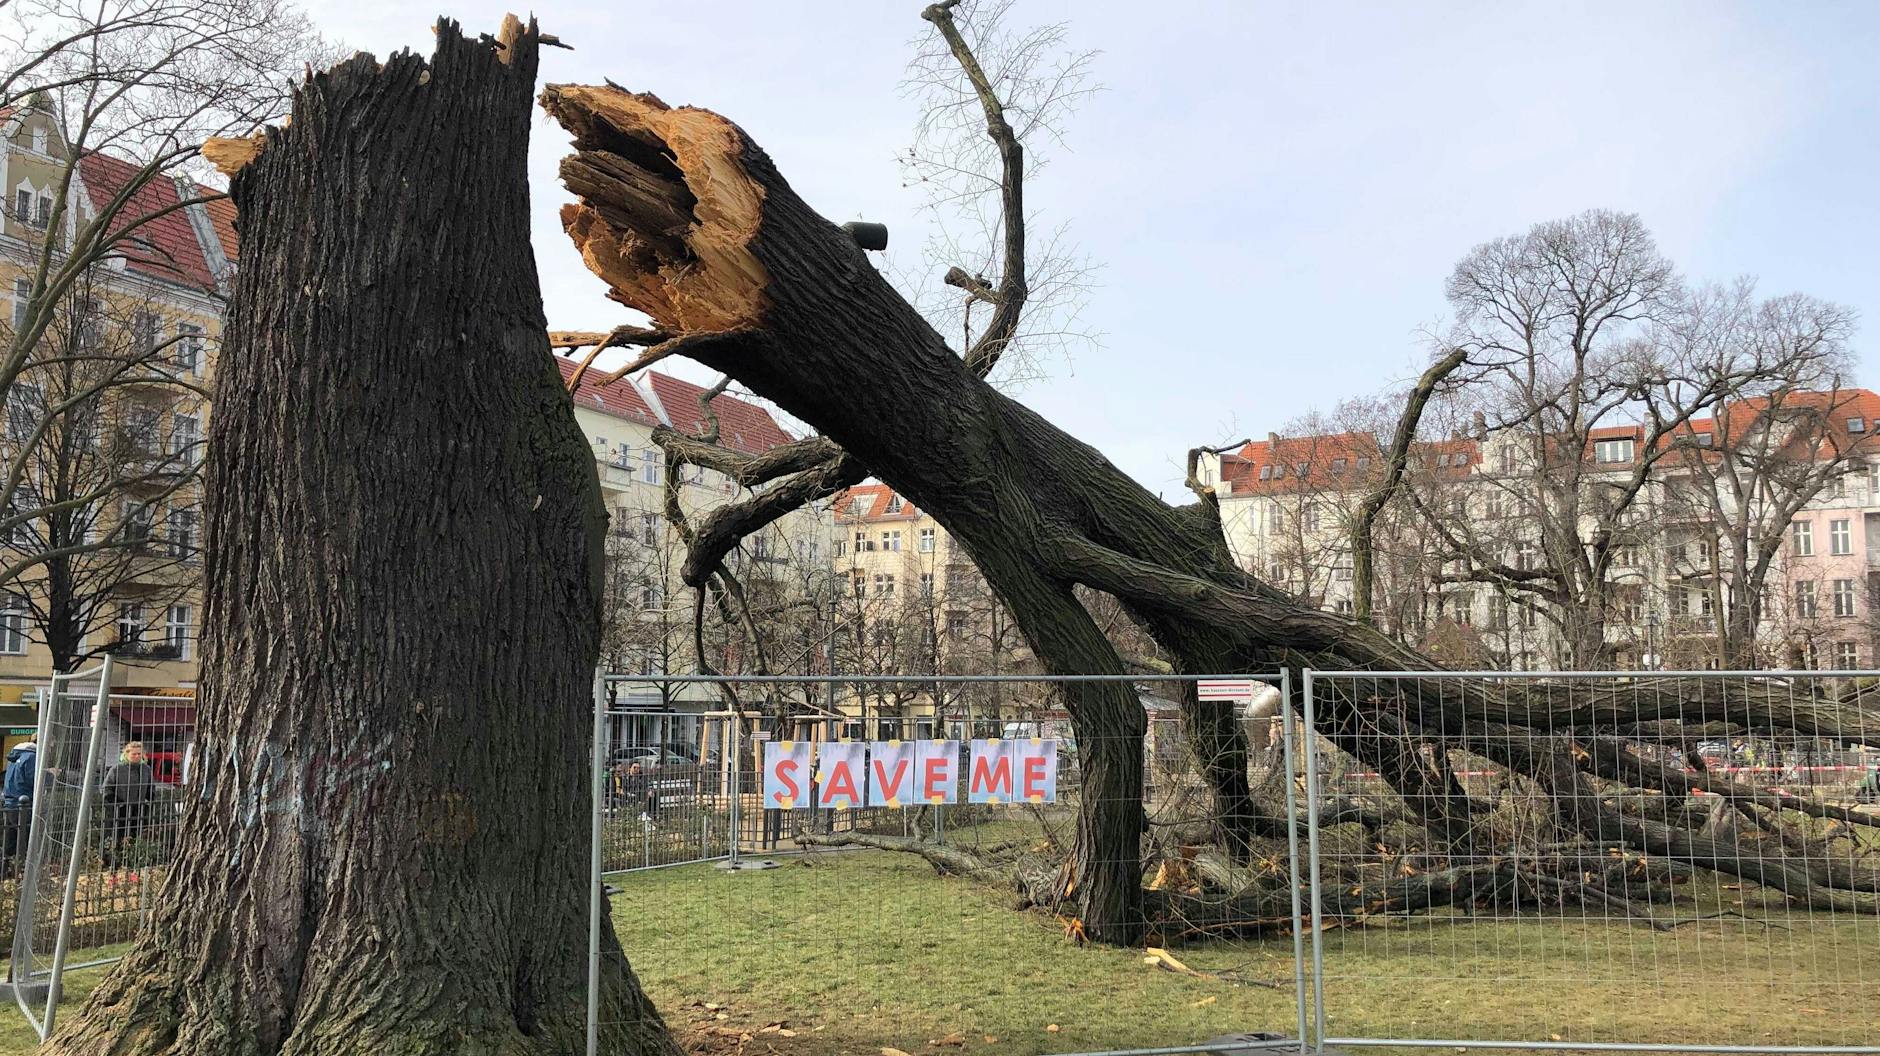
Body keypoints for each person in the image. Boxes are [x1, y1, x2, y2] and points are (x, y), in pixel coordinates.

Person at [102, 741, 156, 868]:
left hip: (139, 810)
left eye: (139, 754)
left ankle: (132, 865)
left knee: (136, 838)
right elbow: (107, 789)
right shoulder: (117, 769)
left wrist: (148, 802)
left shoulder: (146, 770)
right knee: (117, 838)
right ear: (127, 754)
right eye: (134, 754)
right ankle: (113, 865)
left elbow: (151, 788)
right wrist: (117, 804)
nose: (137, 756)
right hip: (119, 811)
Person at [3, 739, 36, 876]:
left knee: (10, 839)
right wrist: (50, 775)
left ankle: (6, 870)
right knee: (25, 839)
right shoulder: (31, 757)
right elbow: (33, 779)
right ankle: (22, 872)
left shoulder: (15, 755)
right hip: (23, 803)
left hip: (10, 802)